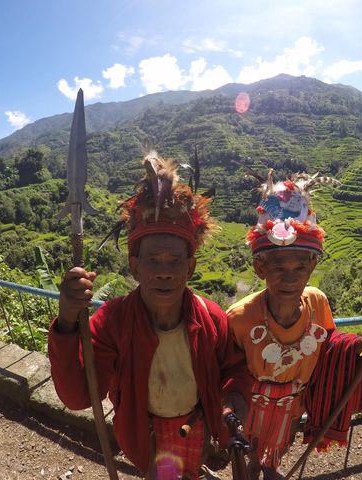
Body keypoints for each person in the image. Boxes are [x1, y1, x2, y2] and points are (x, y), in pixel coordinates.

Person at [48, 151, 252, 479]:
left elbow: (234, 367)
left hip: (194, 427)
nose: (164, 272)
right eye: (152, 261)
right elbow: (77, 396)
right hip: (145, 435)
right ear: (134, 266)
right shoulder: (112, 322)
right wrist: (68, 322)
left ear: (190, 267)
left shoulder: (210, 317)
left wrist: (234, 400)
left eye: (174, 261)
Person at [226, 170, 362, 480]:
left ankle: (271, 468)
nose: (290, 276)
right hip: (251, 407)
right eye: (278, 266)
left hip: (295, 402)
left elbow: (331, 344)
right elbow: (227, 370)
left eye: (300, 266)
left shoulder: (317, 302)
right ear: (260, 268)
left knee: (281, 445)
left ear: (312, 266)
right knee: (248, 455)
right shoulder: (240, 317)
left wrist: (361, 346)